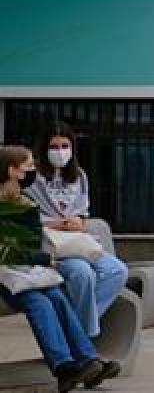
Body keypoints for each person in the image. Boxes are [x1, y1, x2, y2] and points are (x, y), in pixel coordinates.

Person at [0, 145, 120, 391]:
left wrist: (40, 257)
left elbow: (29, 243)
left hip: (27, 272)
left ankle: (88, 361)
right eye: (29, 167)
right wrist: (43, 259)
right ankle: (64, 367)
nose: (34, 171)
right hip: (7, 276)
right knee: (40, 303)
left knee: (58, 298)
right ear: (12, 171)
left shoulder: (26, 204)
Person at [24, 122, 129, 341]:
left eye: (65, 145)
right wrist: (57, 224)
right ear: (43, 148)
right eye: (54, 146)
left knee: (117, 270)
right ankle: (85, 339)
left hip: (77, 243)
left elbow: (82, 211)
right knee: (82, 274)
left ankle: (74, 328)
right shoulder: (31, 179)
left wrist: (78, 222)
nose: (60, 152)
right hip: (51, 247)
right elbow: (25, 219)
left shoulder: (79, 176)